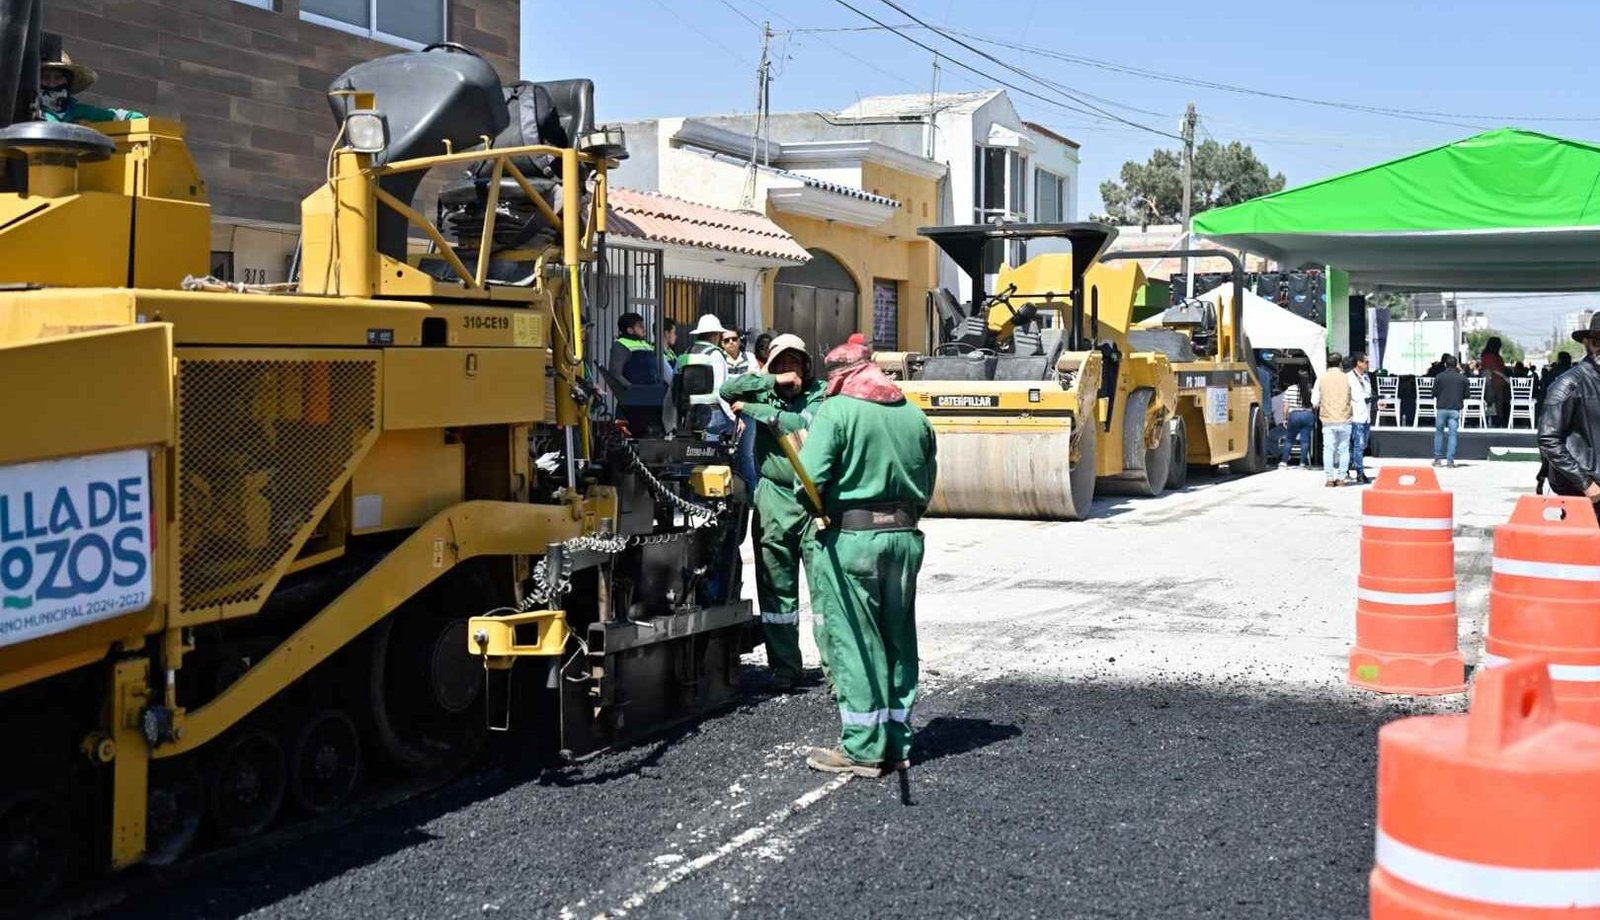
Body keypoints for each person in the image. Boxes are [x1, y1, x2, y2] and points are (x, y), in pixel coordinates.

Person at [799, 343, 935, 777]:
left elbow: (810, 482)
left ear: (840, 375)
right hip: (905, 537)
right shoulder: (914, 415)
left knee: (857, 642)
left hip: (854, 540)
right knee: (898, 637)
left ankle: (862, 747)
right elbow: (928, 483)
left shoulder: (837, 413)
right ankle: (897, 741)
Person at [721, 334, 829, 691]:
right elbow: (727, 389)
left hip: (815, 501)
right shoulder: (764, 388)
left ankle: (836, 671)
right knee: (775, 591)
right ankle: (785, 668)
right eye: (781, 363)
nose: (789, 371)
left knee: (826, 592)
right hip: (773, 497)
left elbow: (801, 426)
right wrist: (770, 380)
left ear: (807, 366)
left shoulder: (822, 394)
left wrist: (755, 411)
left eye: (795, 363)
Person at [1538, 315, 1600, 507]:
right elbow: (1548, 439)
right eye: (1598, 341)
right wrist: (1585, 483)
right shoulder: (1568, 384)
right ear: (1587, 343)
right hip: (1582, 491)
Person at [39, 51, 143, 124]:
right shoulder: (28, 110)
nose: (51, 83)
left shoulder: (80, 111)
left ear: (68, 82)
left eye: (58, 77)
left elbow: (127, 117)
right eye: (45, 77)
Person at [679, 315, 738, 436]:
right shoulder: (715, 355)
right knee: (713, 453)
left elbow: (675, 384)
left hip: (688, 414)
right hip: (712, 414)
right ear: (715, 335)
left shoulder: (685, 354)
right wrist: (734, 418)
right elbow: (721, 392)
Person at [1312, 353, 1353, 487]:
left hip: (1327, 419)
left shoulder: (1321, 378)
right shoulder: (1347, 378)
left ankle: (1330, 479)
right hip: (1345, 418)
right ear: (1340, 363)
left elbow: (1314, 401)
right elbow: (1355, 397)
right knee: (1344, 449)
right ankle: (1341, 478)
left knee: (1328, 449)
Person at [1431, 355, 1468, 467]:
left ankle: (1437, 459)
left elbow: (1433, 393)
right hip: (1455, 409)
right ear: (1456, 365)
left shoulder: (1439, 377)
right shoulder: (1462, 378)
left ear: (1446, 364)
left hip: (1441, 408)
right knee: (1453, 435)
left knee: (1439, 434)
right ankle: (1450, 461)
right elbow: (1467, 395)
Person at [1347, 353, 1374, 485]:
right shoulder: (1349, 377)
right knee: (1359, 445)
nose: (1368, 364)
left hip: (1366, 416)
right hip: (1356, 416)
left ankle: (1347, 467)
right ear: (1359, 363)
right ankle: (1359, 472)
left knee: (1360, 445)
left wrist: (1375, 401)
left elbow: (1367, 393)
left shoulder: (1366, 377)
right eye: (1366, 362)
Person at [1282, 372, 1317, 469]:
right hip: (1307, 414)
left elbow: (1286, 405)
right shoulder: (1311, 390)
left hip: (1294, 415)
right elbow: (1315, 405)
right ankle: (1302, 463)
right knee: (1305, 440)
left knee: (1289, 439)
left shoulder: (1290, 389)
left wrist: (1285, 418)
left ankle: (1284, 462)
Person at [608, 312, 654, 384]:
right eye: (640, 326)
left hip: (654, 391)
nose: (644, 329)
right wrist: (632, 389)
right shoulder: (621, 345)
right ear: (630, 330)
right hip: (635, 393)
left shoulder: (646, 344)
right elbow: (615, 373)